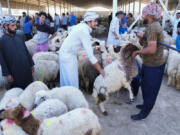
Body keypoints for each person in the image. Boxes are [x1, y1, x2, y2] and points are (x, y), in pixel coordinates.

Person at [131, 2, 165, 120]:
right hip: (149, 63)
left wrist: (137, 52)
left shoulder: (152, 27)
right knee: (145, 86)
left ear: (150, 14)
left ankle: (145, 112)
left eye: (144, 13)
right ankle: (145, 105)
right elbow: (147, 43)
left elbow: (151, 49)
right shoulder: (152, 26)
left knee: (150, 89)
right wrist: (142, 38)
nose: (142, 15)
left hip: (154, 65)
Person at [59, 12, 105, 88]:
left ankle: (66, 95)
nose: (96, 23)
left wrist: (92, 48)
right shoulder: (84, 31)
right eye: (94, 21)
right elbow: (90, 56)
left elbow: (74, 36)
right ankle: (71, 97)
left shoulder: (81, 26)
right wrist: (101, 70)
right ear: (88, 22)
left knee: (66, 79)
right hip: (68, 56)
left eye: (97, 21)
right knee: (72, 81)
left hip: (66, 53)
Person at [0, 16, 34, 89]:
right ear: (6, 26)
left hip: (26, 69)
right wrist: (7, 74)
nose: (15, 27)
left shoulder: (19, 37)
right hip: (14, 73)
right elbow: (2, 60)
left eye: (15, 25)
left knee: (29, 89)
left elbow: (26, 51)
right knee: (18, 92)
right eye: (12, 25)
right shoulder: (2, 41)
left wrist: (31, 64)